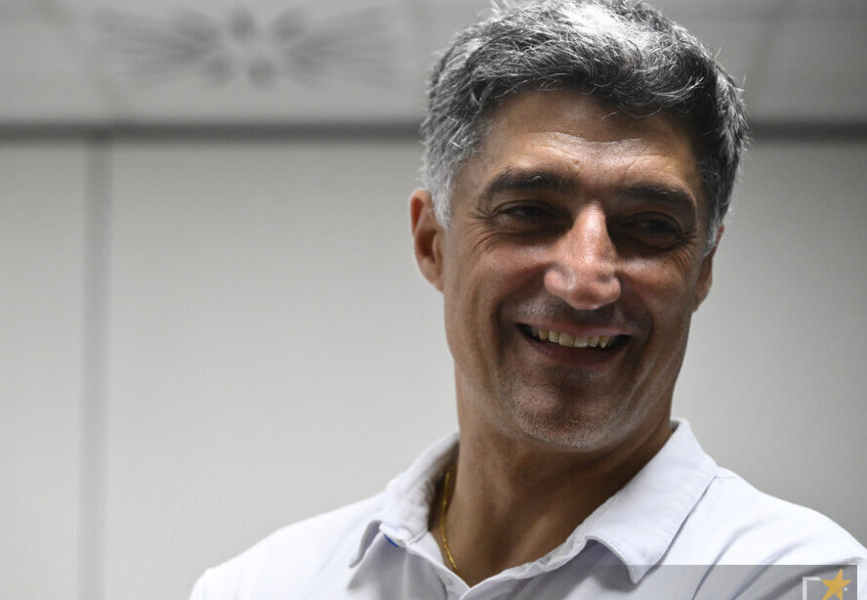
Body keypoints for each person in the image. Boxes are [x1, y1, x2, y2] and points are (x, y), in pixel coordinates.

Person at [190, 0, 867, 598]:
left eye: (650, 226)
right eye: (529, 212)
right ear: (432, 243)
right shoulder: (260, 585)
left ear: (704, 268)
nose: (585, 279)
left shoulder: (800, 576)